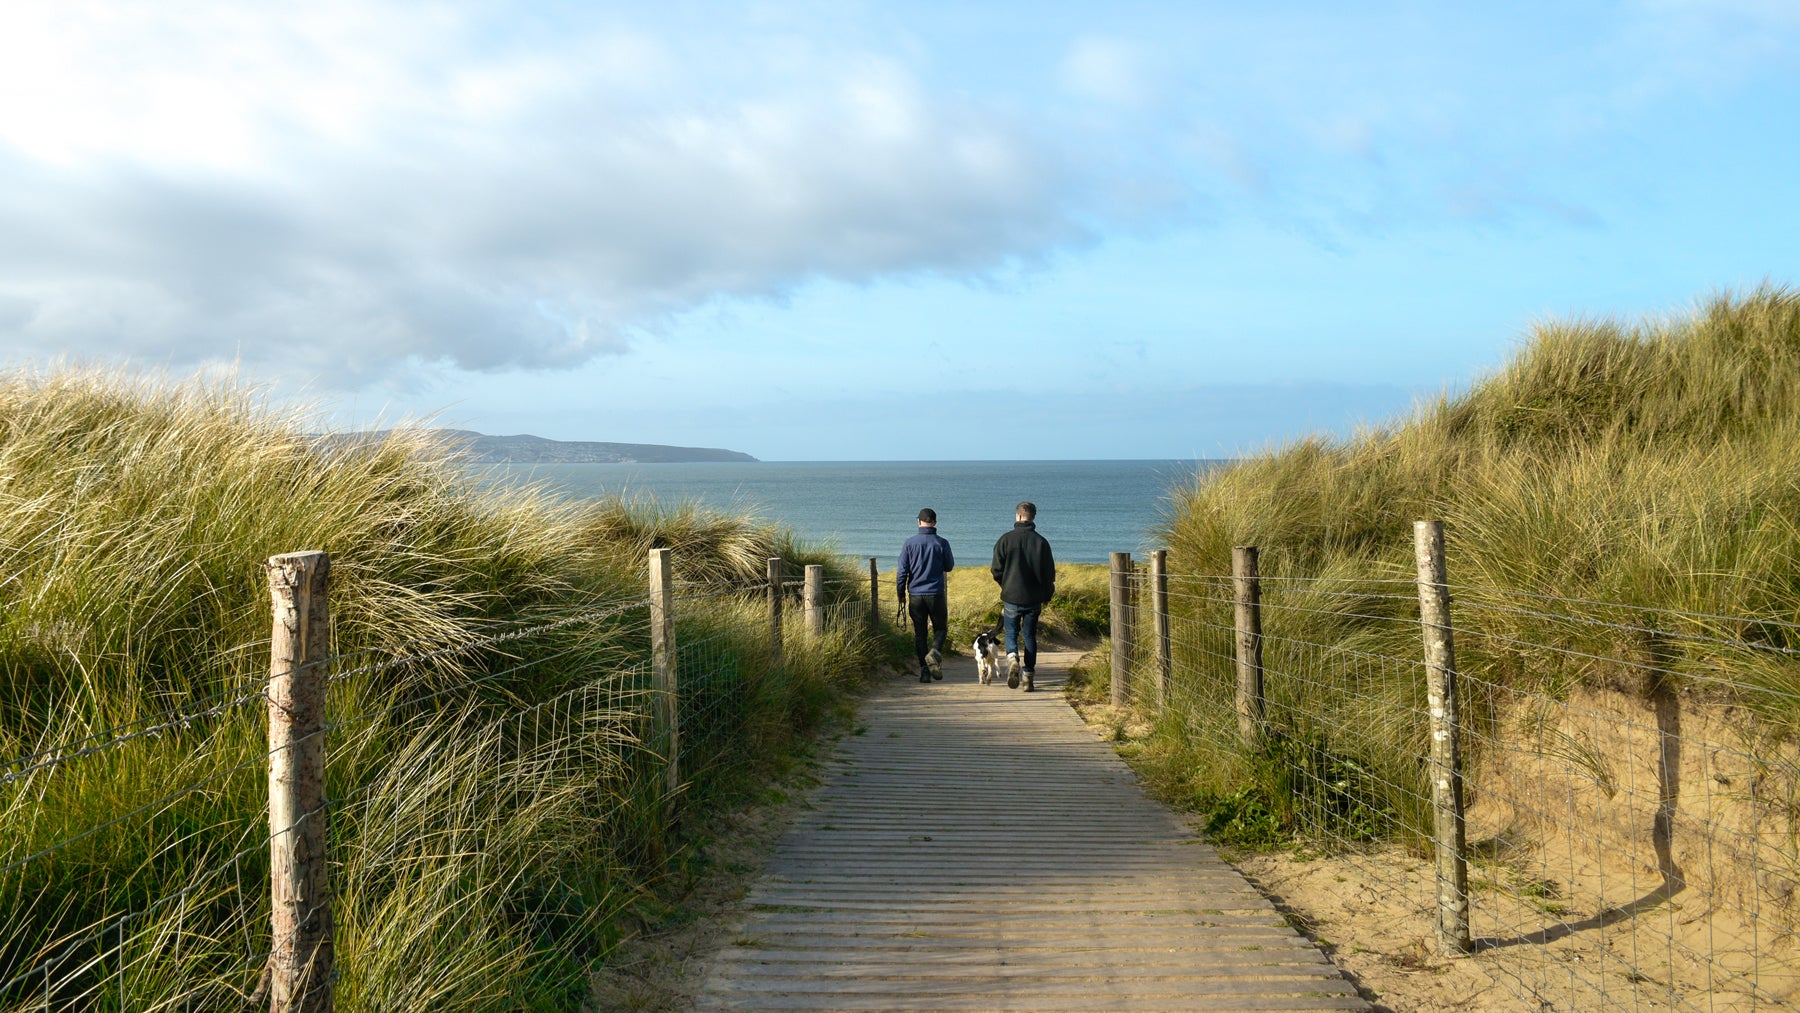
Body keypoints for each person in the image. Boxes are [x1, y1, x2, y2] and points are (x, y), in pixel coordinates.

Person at [990, 500, 1055, 692]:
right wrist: (1046, 595)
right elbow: (1048, 575)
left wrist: (1005, 584)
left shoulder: (1005, 539)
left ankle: (1012, 659)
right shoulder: (1041, 542)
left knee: (1011, 633)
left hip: (1011, 596)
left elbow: (996, 569)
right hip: (1033, 598)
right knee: (1029, 636)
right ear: (1033, 517)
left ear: (1018, 516)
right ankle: (1028, 677)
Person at [896, 507, 954, 683]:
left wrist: (901, 594)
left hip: (915, 594)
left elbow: (902, 572)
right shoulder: (942, 543)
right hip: (935, 593)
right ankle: (934, 652)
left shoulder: (909, 543)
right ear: (935, 522)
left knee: (920, 634)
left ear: (919, 522)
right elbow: (949, 566)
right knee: (941, 629)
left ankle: (924, 672)